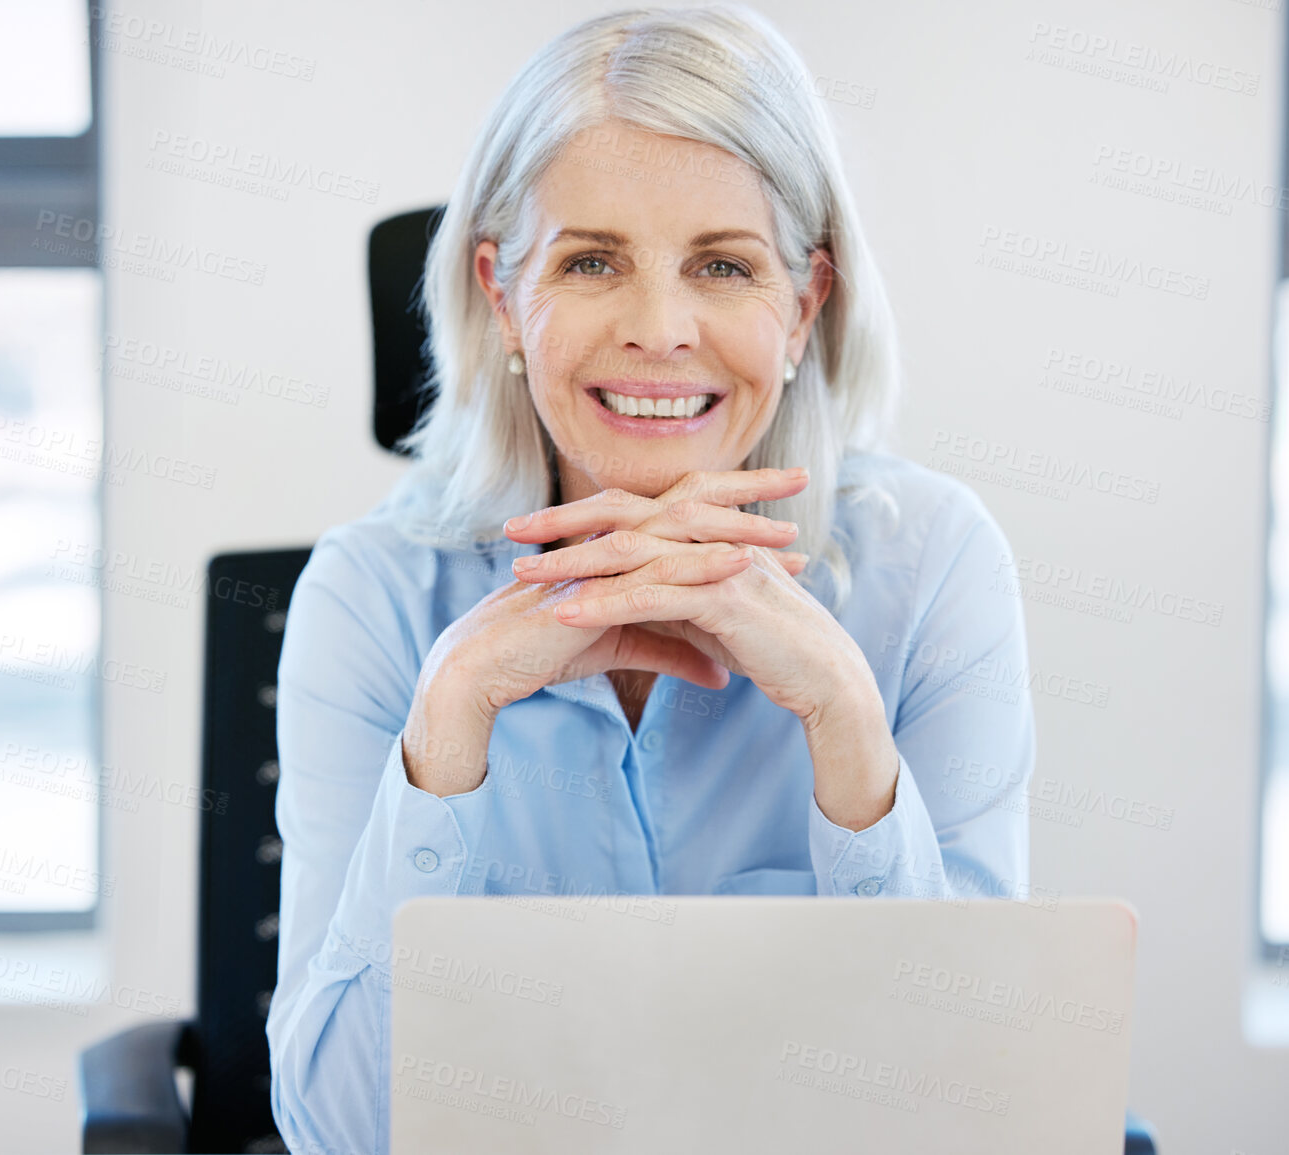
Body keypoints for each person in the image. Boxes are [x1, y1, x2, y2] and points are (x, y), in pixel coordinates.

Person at [266, 6, 1033, 1151]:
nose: (661, 330)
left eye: (723, 265)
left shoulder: (931, 568)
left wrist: (847, 726)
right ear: (501, 293)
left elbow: (975, 1116)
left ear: (805, 306)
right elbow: (337, 1128)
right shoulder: (368, 598)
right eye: (591, 262)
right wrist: (449, 728)